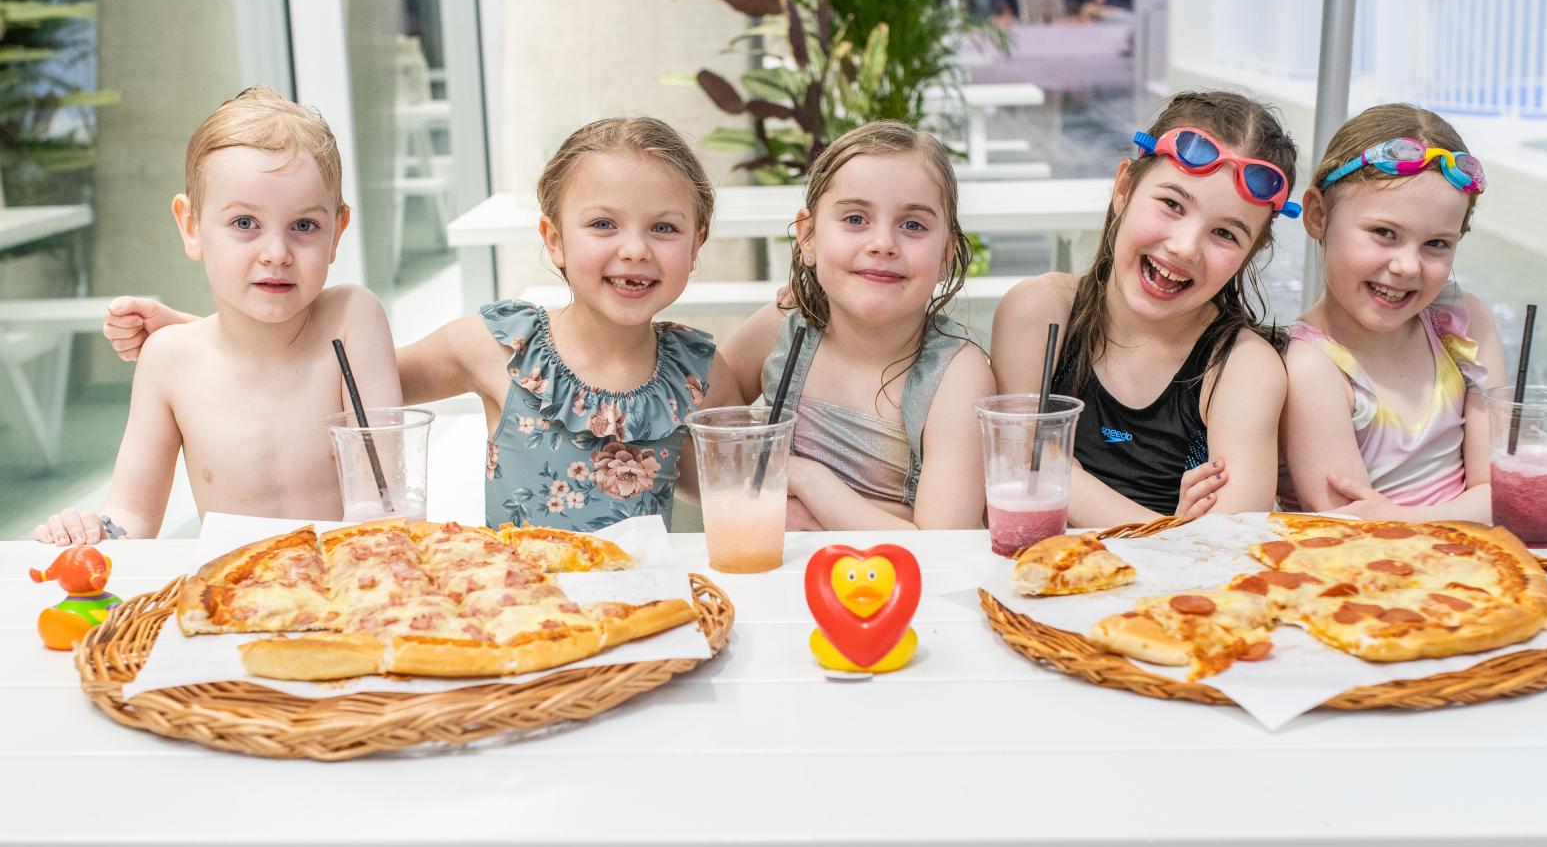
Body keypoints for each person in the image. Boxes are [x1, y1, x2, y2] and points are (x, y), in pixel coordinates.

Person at [100, 116, 741, 533]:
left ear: (698, 240)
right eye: (604, 224)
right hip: (517, 602)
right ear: (554, 240)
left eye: (664, 228)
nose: (634, 249)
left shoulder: (696, 372)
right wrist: (207, 334)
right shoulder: (501, 347)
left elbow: (722, 486)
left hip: (643, 607)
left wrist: (801, 303)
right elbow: (335, 377)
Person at [35, 85, 400, 544]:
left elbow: (384, 504)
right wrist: (93, 532)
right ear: (191, 227)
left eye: (304, 226)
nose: (276, 253)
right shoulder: (168, 359)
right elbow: (132, 513)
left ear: (337, 232)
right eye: (245, 223)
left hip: (353, 586)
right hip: (231, 599)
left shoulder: (351, 321)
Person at [991, 90, 1300, 526]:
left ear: (1250, 253)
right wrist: (1170, 529)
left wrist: (1061, 472)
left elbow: (1230, 547)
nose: (1184, 247)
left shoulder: (1242, 368)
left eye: (1226, 234)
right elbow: (1009, 472)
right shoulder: (1039, 313)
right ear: (1124, 188)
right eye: (1172, 204)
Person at [722, 121, 996, 531]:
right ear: (809, 236)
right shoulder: (779, 331)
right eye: (855, 218)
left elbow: (943, 546)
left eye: (913, 225)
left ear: (946, 254)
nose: (883, 243)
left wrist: (806, 480)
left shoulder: (957, 374)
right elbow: (695, 454)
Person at [1279, 104, 1505, 522]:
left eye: (1436, 244)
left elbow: (1504, 493)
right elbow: (1351, 530)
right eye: (1385, 233)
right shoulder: (1309, 366)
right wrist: (1464, 513)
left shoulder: (1464, 326)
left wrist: (1401, 519)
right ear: (1317, 215)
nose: (1407, 266)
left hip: (1477, 570)